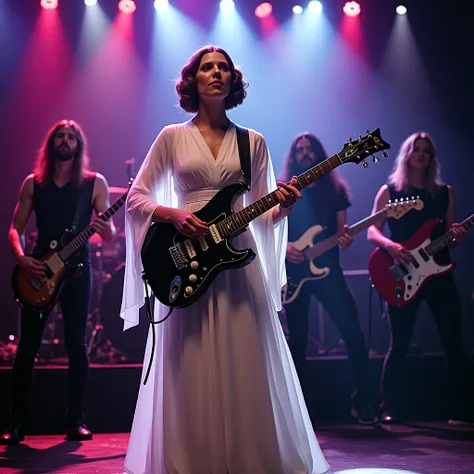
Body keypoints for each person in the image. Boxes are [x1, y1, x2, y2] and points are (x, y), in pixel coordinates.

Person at [120, 46, 330, 474]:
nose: (216, 72)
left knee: (245, 361)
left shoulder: (253, 142)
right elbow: (135, 197)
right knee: (189, 364)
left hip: (238, 266)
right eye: (206, 67)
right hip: (187, 263)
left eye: (224, 68)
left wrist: (285, 206)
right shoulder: (171, 137)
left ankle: (251, 461)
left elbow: (262, 211)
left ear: (234, 81)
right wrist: (175, 214)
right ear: (192, 81)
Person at [1, 120, 116, 444]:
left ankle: (76, 420)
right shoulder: (33, 183)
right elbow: (15, 227)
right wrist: (21, 257)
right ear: (51, 143)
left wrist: (106, 230)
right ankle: (16, 422)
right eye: (60, 137)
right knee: (27, 348)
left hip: (77, 270)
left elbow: (106, 229)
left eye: (71, 137)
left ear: (79, 146)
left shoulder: (94, 183)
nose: (65, 141)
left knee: (77, 344)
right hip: (38, 270)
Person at [367, 132, 472, 425]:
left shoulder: (444, 192)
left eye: (427, 150)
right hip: (401, 272)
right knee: (398, 344)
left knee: (453, 342)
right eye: (417, 150)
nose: (422, 154)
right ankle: (390, 407)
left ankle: (463, 411)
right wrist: (391, 246)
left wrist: (457, 237)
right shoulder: (390, 191)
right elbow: (372, 230)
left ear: (432, 157)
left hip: (439, 273)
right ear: (407, 155)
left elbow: (452, 236)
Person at [279, 133, 378, 426]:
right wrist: (285, 248)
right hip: (295, 274)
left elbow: (341, 231)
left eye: (310, 149)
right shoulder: (286, 190)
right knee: (296, 342)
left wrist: (345, 239)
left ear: (320, 154)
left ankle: (363, 403)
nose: (305, 153)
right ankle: (298, 415)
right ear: (293, 157)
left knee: (354, 335)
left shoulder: (336, 191)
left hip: (329, 272)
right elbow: (271, 228)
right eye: (300, 150)